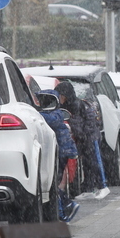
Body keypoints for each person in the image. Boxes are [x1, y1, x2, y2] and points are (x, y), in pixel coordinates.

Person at [56, 80, 109, 198]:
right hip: (79, 138)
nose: (60, 98)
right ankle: (88, 188)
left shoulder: (79, 105)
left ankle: (103, 186)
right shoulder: (62, 107)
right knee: (86, 164)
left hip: (89, 137)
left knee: (94, 161)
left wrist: (85, 135)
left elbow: (90, 121)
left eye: (61, 95)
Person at [37, 90, 81, 221]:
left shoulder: (56, 114)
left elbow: (51, 120)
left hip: (62, 153)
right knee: (55, 183)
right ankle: (65, 208)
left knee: (54, 184)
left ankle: (65, 209)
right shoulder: (55, 113)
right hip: (62, 152)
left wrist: (37, 113)